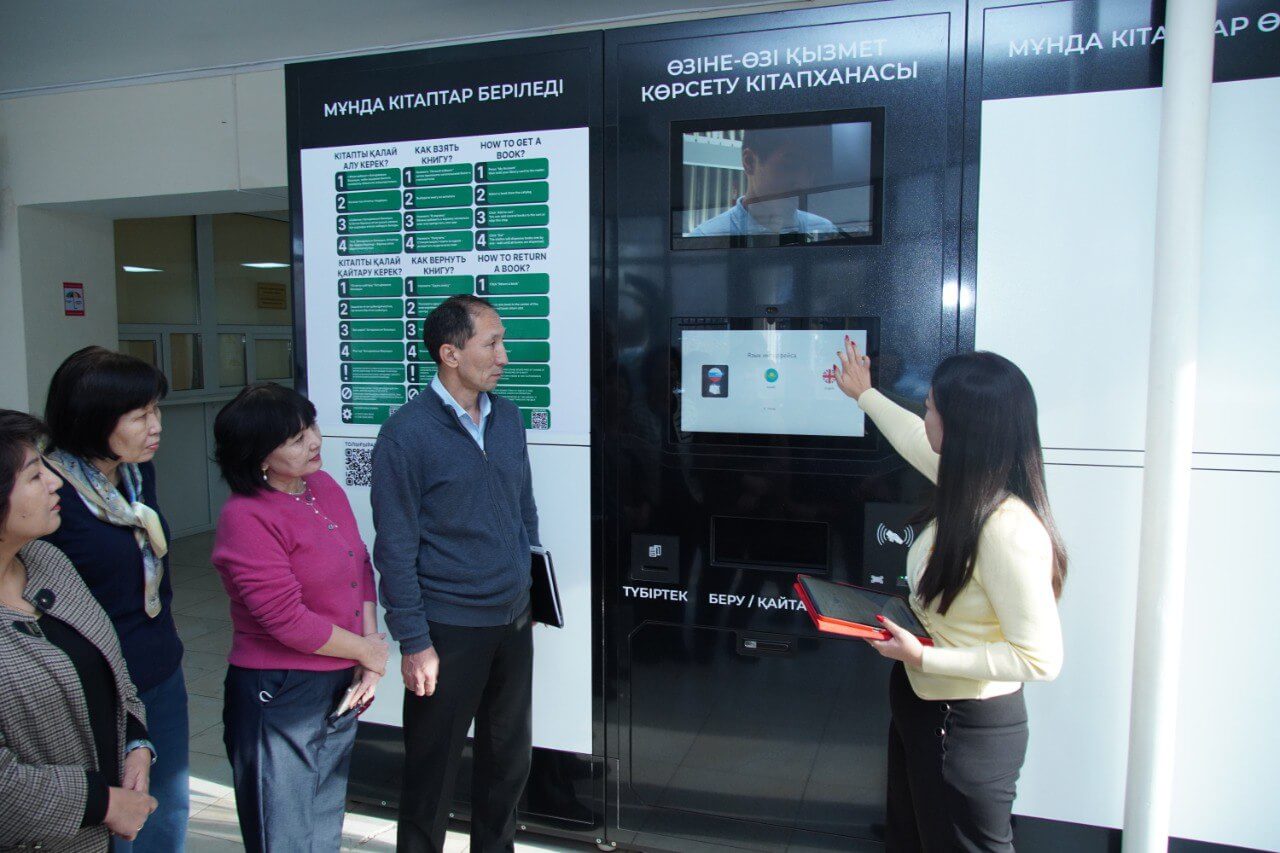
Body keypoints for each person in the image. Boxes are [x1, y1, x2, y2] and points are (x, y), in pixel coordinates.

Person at [834, 341, 1066, 853]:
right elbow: (913, 439)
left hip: (962, 727)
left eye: (932, 407)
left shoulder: (1007, 528)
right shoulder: (970, 486)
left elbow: (1040, 658)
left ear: (962, 428)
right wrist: (864, 395)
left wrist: (925, 656)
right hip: (923, 706)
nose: (925, 415)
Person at [371, 294, 541, 853]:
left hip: (512, 620)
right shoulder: (405, 435)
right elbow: (395, 548)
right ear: (450, 353)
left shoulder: (507, 417)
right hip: (448, 628)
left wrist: (528, 585)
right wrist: (414, 641)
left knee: (508, 761)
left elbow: (523, 507)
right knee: (432, 770)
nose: (504, 356)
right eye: (491, 343)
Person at [211, 382, 387, 853]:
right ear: (259, 457)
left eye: (311, 427)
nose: (314, 441)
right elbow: (285, 619)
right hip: (280, 689)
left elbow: (358, 564)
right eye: (295, 438)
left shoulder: (321, 486)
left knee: (324, 823)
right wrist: (367, 651)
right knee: (283, 832)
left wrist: (368, 652)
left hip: (340, 676)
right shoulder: (246, 517)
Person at [41, 346, 188, 852]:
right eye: (140, 416)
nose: (156, 426)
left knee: (167, 813)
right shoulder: (50, 494)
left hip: (159, 667)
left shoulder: (135, 475)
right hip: (100, 688)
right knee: (118, 827)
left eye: (156, 410)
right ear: (93, 418)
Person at [0, 410, 159, 851]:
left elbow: (112, 669)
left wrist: (136, 743)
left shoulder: (47, 561)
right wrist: (101, 803)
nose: (55, 482)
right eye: (35, 476)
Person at [689, 126, 838, 239]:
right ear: (749, 162)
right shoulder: (704, 239)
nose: (804, 184)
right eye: (790, 166)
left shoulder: (825, 231)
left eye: (810, 170)